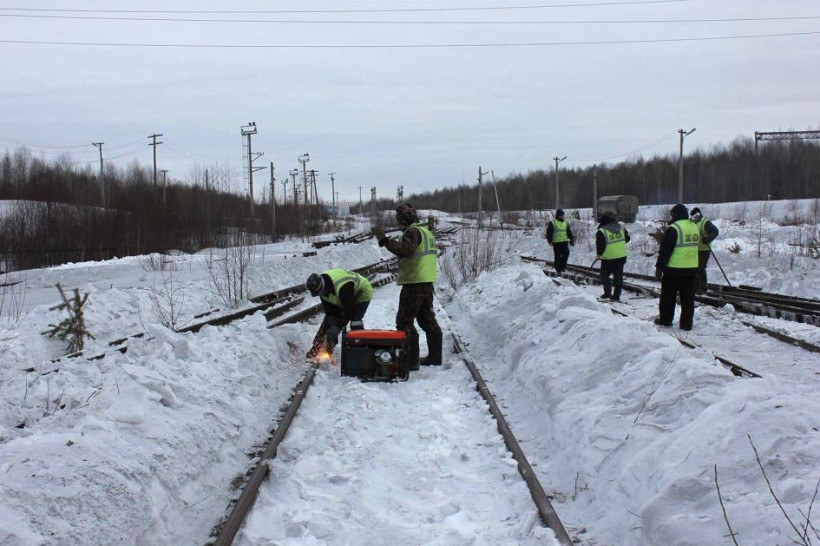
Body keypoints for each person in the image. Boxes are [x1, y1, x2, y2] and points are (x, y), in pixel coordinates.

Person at [371, 203, 442, 369]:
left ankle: (411, 361)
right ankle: (435, 357)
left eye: (399, 219)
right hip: (426, 282)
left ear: (403, 218)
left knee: (404, 322)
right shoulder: (425, 231)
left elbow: (405, 250)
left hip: (414, 283)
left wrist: (385, 241)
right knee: (427, 319)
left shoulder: (413, 231)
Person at [305, 269, 373, 360]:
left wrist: (336, 328)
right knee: (330, 323)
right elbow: (330, 315)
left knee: (355, 322)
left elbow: (349, 312)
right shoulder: (323, 290)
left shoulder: (343, 287)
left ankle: (361, 352)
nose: (321, 295)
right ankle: (319, 349)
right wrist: (318, 342)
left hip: (362, 292)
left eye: (320, 293)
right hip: (344, 296)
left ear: (322, 287)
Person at [654, 204, 699, 331]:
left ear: (675, 215)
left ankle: (666, 320)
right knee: (688, 299)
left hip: (674, 269)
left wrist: (659, 268)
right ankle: (686, 324)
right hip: (691, 269)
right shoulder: (693, 227)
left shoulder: (674, 229)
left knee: (668, 297)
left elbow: (665, 251)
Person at [596, 214, 630, 301]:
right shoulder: (621, 228)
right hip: (621, 256)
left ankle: (607, 292)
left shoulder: (602, 231)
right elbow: (627, 239)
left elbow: (600, 246)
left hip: (608, 258)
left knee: (604, 275)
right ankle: (616, 296)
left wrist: (599, 254)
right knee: (618, 276)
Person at [690, 207, 720, 294]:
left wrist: (708, 239)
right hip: (695, 249)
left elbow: (715, 231)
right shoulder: (692, 223)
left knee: (700, 268)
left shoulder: (705, 222)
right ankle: (696, 287)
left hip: (704, 249)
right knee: (694, 268)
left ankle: (703, 288)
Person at [546, 209, 575, 274]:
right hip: (556, 242)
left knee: (566, 254)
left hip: (564, 241)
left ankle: (562, 267)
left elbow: (568, 231)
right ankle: (558, 270)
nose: (561, 217)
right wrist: (550, 241)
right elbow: (549, 233)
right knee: (558, 256)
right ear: (557, 215)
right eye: (560, 215)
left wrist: (571, 238)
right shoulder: (553, 222)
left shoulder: (566, 222)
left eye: (562, 215)